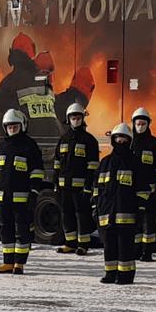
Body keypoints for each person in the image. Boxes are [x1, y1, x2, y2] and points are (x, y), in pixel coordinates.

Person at [94, 123, 151, 284]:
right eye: (118, 138)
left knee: (125, 247)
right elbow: (96, 187)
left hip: (127, 215)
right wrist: (95, 207)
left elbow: (144, 189)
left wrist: (140, 208)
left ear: (129, 140)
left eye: (124, 138)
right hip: (106, 214)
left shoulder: (135, 163)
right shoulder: (104, 162)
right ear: (113, 140)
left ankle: (126, 275)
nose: (120, 141)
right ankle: (110, 273)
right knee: (109, 246)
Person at [0, 108, 46, 273]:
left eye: (15, 126)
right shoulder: (2, 146)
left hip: (22, 199)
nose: (12, 129)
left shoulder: (29, 146)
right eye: (9, 126)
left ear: (22, 126)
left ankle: (19, 264)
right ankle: (8, 262)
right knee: (5, 229)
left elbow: (37, 172)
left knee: (22, 231)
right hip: (4, 198)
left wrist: (34, 193)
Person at [54, 103, 100, 255]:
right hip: (63, 186)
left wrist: (88, 186)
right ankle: (70, 243)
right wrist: (56, 183)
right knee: (66, 214)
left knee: (82, 214)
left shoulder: (89, 140)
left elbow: (92, 166)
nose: (75, 120)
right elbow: (57, 163)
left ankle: (83, 244)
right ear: (68, 119)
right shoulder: (63, 139)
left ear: (83, 119)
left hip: (80, 188)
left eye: (78, 117)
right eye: (73, 118)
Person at [130, 107, 156, 261]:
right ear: (133, 124)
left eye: (143, 123)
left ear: (148, 124)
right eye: (138, 123)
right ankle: (135, 250)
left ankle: (147, 252)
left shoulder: (154, 143)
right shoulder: (130, 143)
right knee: (135, 224)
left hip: (149, 192)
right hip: (132, 192)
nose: (140, 126)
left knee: (148, 225)